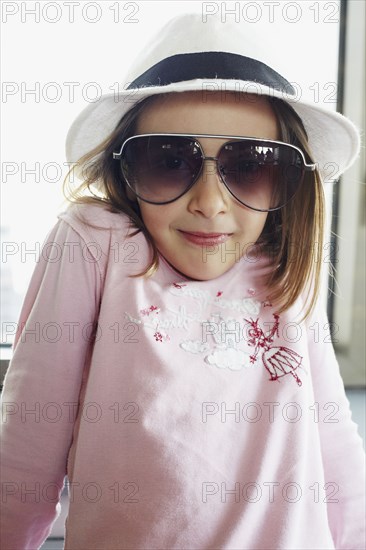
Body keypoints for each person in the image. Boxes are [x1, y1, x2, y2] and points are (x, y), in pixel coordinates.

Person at [1, 13, 365, 550]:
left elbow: (332, 441)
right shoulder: (94, 241)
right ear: (124, 167)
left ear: (289, 179)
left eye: (251, 165)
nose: (210, 202)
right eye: (169, 161)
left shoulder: (285, 265)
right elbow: (31, 433)